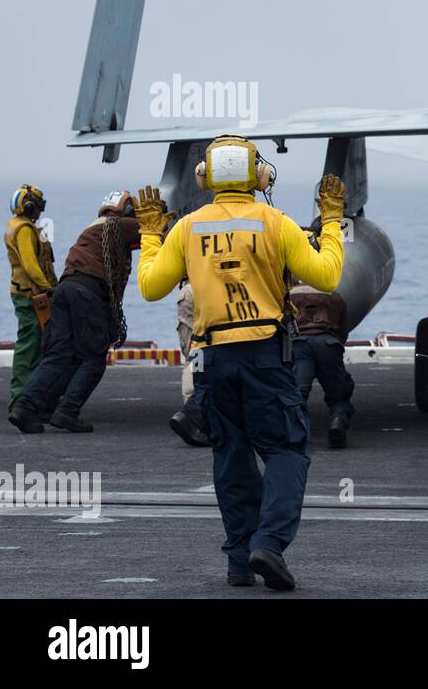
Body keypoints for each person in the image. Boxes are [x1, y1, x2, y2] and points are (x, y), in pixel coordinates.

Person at [136, 135, 346, 590]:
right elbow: (327, 275)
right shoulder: (275, 222)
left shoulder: (188, 227)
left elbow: (151, 287)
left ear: (205, 178)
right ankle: (267, 545)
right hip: (265, 355)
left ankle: (237, 561)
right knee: (285, 450)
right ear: (260, 176)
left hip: (212, 358)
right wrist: (331, 221)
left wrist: (150, 235)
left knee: (230, 456)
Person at [8, 191, 139, 434]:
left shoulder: (93, 228)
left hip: (65, 290)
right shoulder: (121, 224)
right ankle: (67, 411)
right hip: (86, 293)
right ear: (127, 210)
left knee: (58, 355)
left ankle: (26, 408)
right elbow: (158, 235)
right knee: (93, 357)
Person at [6, 184, 57, 412]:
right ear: (28, 206)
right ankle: (19, 398)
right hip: (29, 295)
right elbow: (31, 266)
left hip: (28, 292)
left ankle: (32, 395)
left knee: (36, 343)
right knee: (29, 346)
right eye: (37, 206)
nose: (40, 211)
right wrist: (49, 288)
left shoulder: (19, 226)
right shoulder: (25, 229)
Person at [290, 275, 356, 449]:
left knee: (298, 392)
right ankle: (337, 421)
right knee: (339, 393)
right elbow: (343, 329)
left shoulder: (289, 295)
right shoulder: (334, 296)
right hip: (328, 344)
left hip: (300, 344)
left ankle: (298, 435)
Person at [170, 279, 213, 447]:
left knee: (195, 350)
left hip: (190, 288)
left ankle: (192, 412)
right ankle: (194, 415)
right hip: (217, 288)